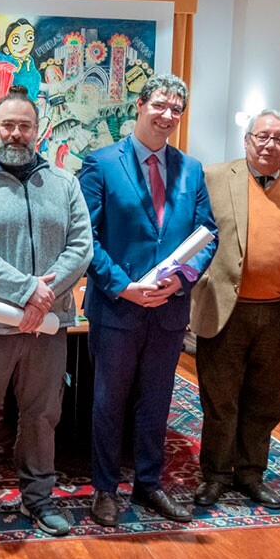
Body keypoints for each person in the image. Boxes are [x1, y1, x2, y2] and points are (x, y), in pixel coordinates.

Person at [0, 88, 93, 543]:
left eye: (24, 126)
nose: (15, 133)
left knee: (42, 416)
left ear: (37, 131)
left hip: (47, 326)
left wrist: (42, 298)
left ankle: (39, 498)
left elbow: (81, 246)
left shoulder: (65, 184)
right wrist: (27, 289)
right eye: (7, 125)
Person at [78, 73, 217, 527]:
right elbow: (86, 238)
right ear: (139, 105)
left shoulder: (191, 169)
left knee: (157, 402)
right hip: (117, 306)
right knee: (109, 402)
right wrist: (123, 286)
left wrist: (181, 281)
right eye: (159, 104)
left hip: (169, 309)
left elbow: (208, 235)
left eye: (176, 109)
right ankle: (104, 489)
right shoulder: (101, 163)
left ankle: (149, 483)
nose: (167, 115)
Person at [190, 110, 280, 510]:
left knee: (265, 401)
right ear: (246, 140)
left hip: (278, 313)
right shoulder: (213, 178)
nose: (269, 145)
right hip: (225, 309)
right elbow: (194, 238)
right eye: (261, 136)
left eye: (279, 138)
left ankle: (251, 474)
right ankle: (215, 475)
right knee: (220, 399)